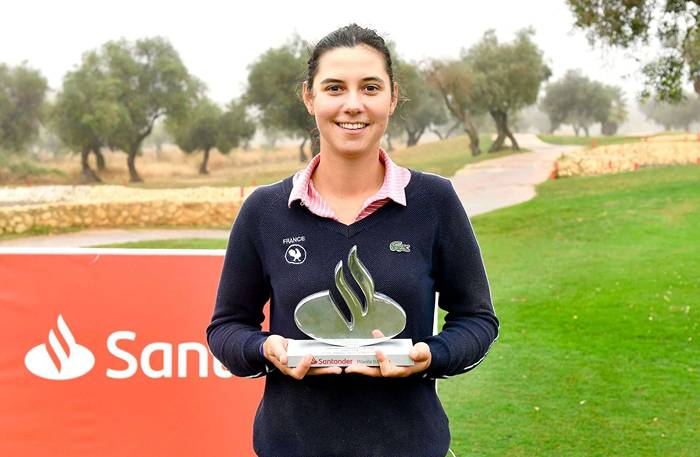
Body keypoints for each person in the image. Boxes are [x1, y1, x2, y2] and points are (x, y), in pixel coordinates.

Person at [206, 23, 500, 457]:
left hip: (409, 446)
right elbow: (226, 329)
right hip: (291, 446)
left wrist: (431, 355)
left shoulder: (434, 202)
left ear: (392, 97)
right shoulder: (264, 211)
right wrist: (265, 348)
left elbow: (477, 319)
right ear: (310, 98)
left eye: (370, 87)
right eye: (334, 88)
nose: (353, 105)